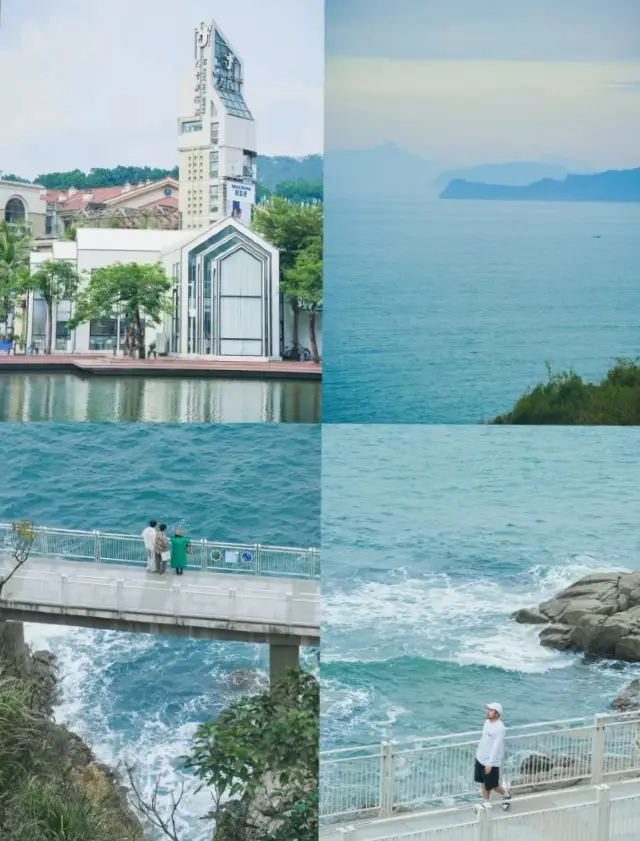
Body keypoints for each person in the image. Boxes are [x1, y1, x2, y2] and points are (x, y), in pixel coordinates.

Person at [474, 702, 512, 809]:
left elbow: (496, 746)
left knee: (493, 785)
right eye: (488, 710)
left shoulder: (500, 728)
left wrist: (490, 763)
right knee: (482, 781)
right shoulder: (486, 722)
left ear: (497, 714)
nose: (488, 712)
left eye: (491, 711)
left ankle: (506, 795)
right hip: (480, 757)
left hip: (491, 762)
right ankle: (486, 802)